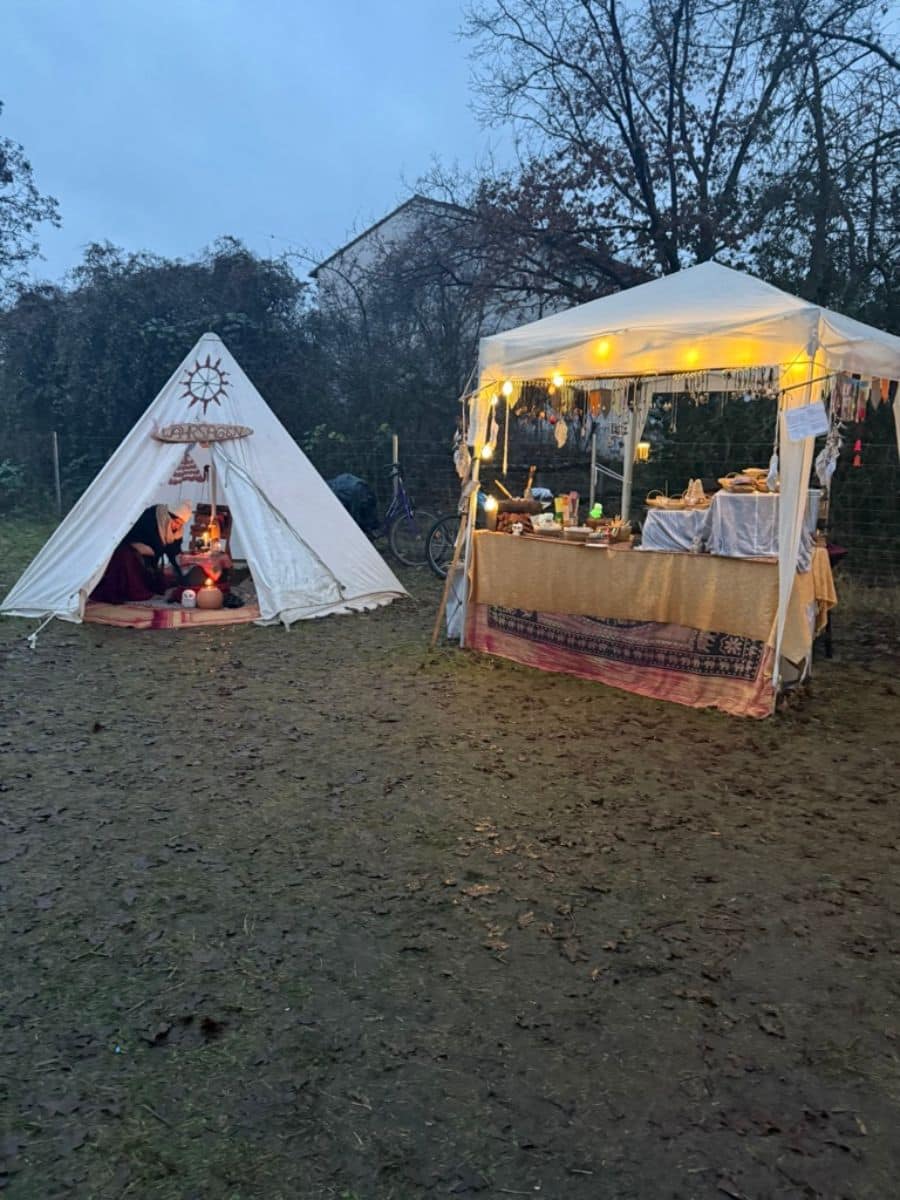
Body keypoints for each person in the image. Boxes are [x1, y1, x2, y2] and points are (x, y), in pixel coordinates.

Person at [91, 502, 193, 604]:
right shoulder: (149, 517)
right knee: (125, 556)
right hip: (131, 551)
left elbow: (172, 553)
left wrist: (180, 573)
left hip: (150, 563)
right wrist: (136, 545)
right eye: (176, 522)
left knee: (162, 584)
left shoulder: (175, 530)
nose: (177, 526)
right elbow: (125, 534)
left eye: (181, 524)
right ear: (168, 516)